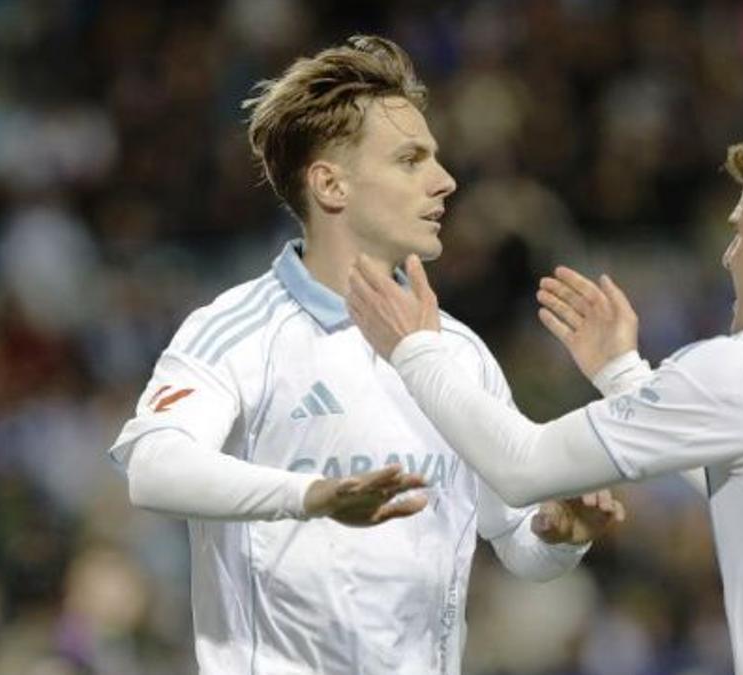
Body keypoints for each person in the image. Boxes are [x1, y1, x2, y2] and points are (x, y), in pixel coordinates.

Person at [347, 135, 743, 674]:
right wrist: (622, 370)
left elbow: (522, 466)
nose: (726, 254)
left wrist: (415, 350)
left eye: (741, 233)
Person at [107, 35, 623, 674]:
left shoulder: (457, 352)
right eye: (411, 159)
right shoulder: (237, 333)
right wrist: (316, 495)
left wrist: (558, 536)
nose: (445, 180)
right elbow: (153, 469)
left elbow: (515, 539)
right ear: (330, 184)